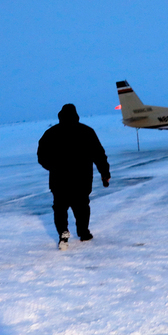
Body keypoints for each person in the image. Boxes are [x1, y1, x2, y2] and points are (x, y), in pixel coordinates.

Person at [37, 104, 110, 250]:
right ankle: (83, 233)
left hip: (59, 179)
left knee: (60, 208)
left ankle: (63, 234)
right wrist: (105, 174)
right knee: (82, 206)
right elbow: (99, 155)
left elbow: (41, 156)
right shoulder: (87, 131)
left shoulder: (51, 133)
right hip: (82, 178)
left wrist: (53, 167)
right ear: (76, 115)